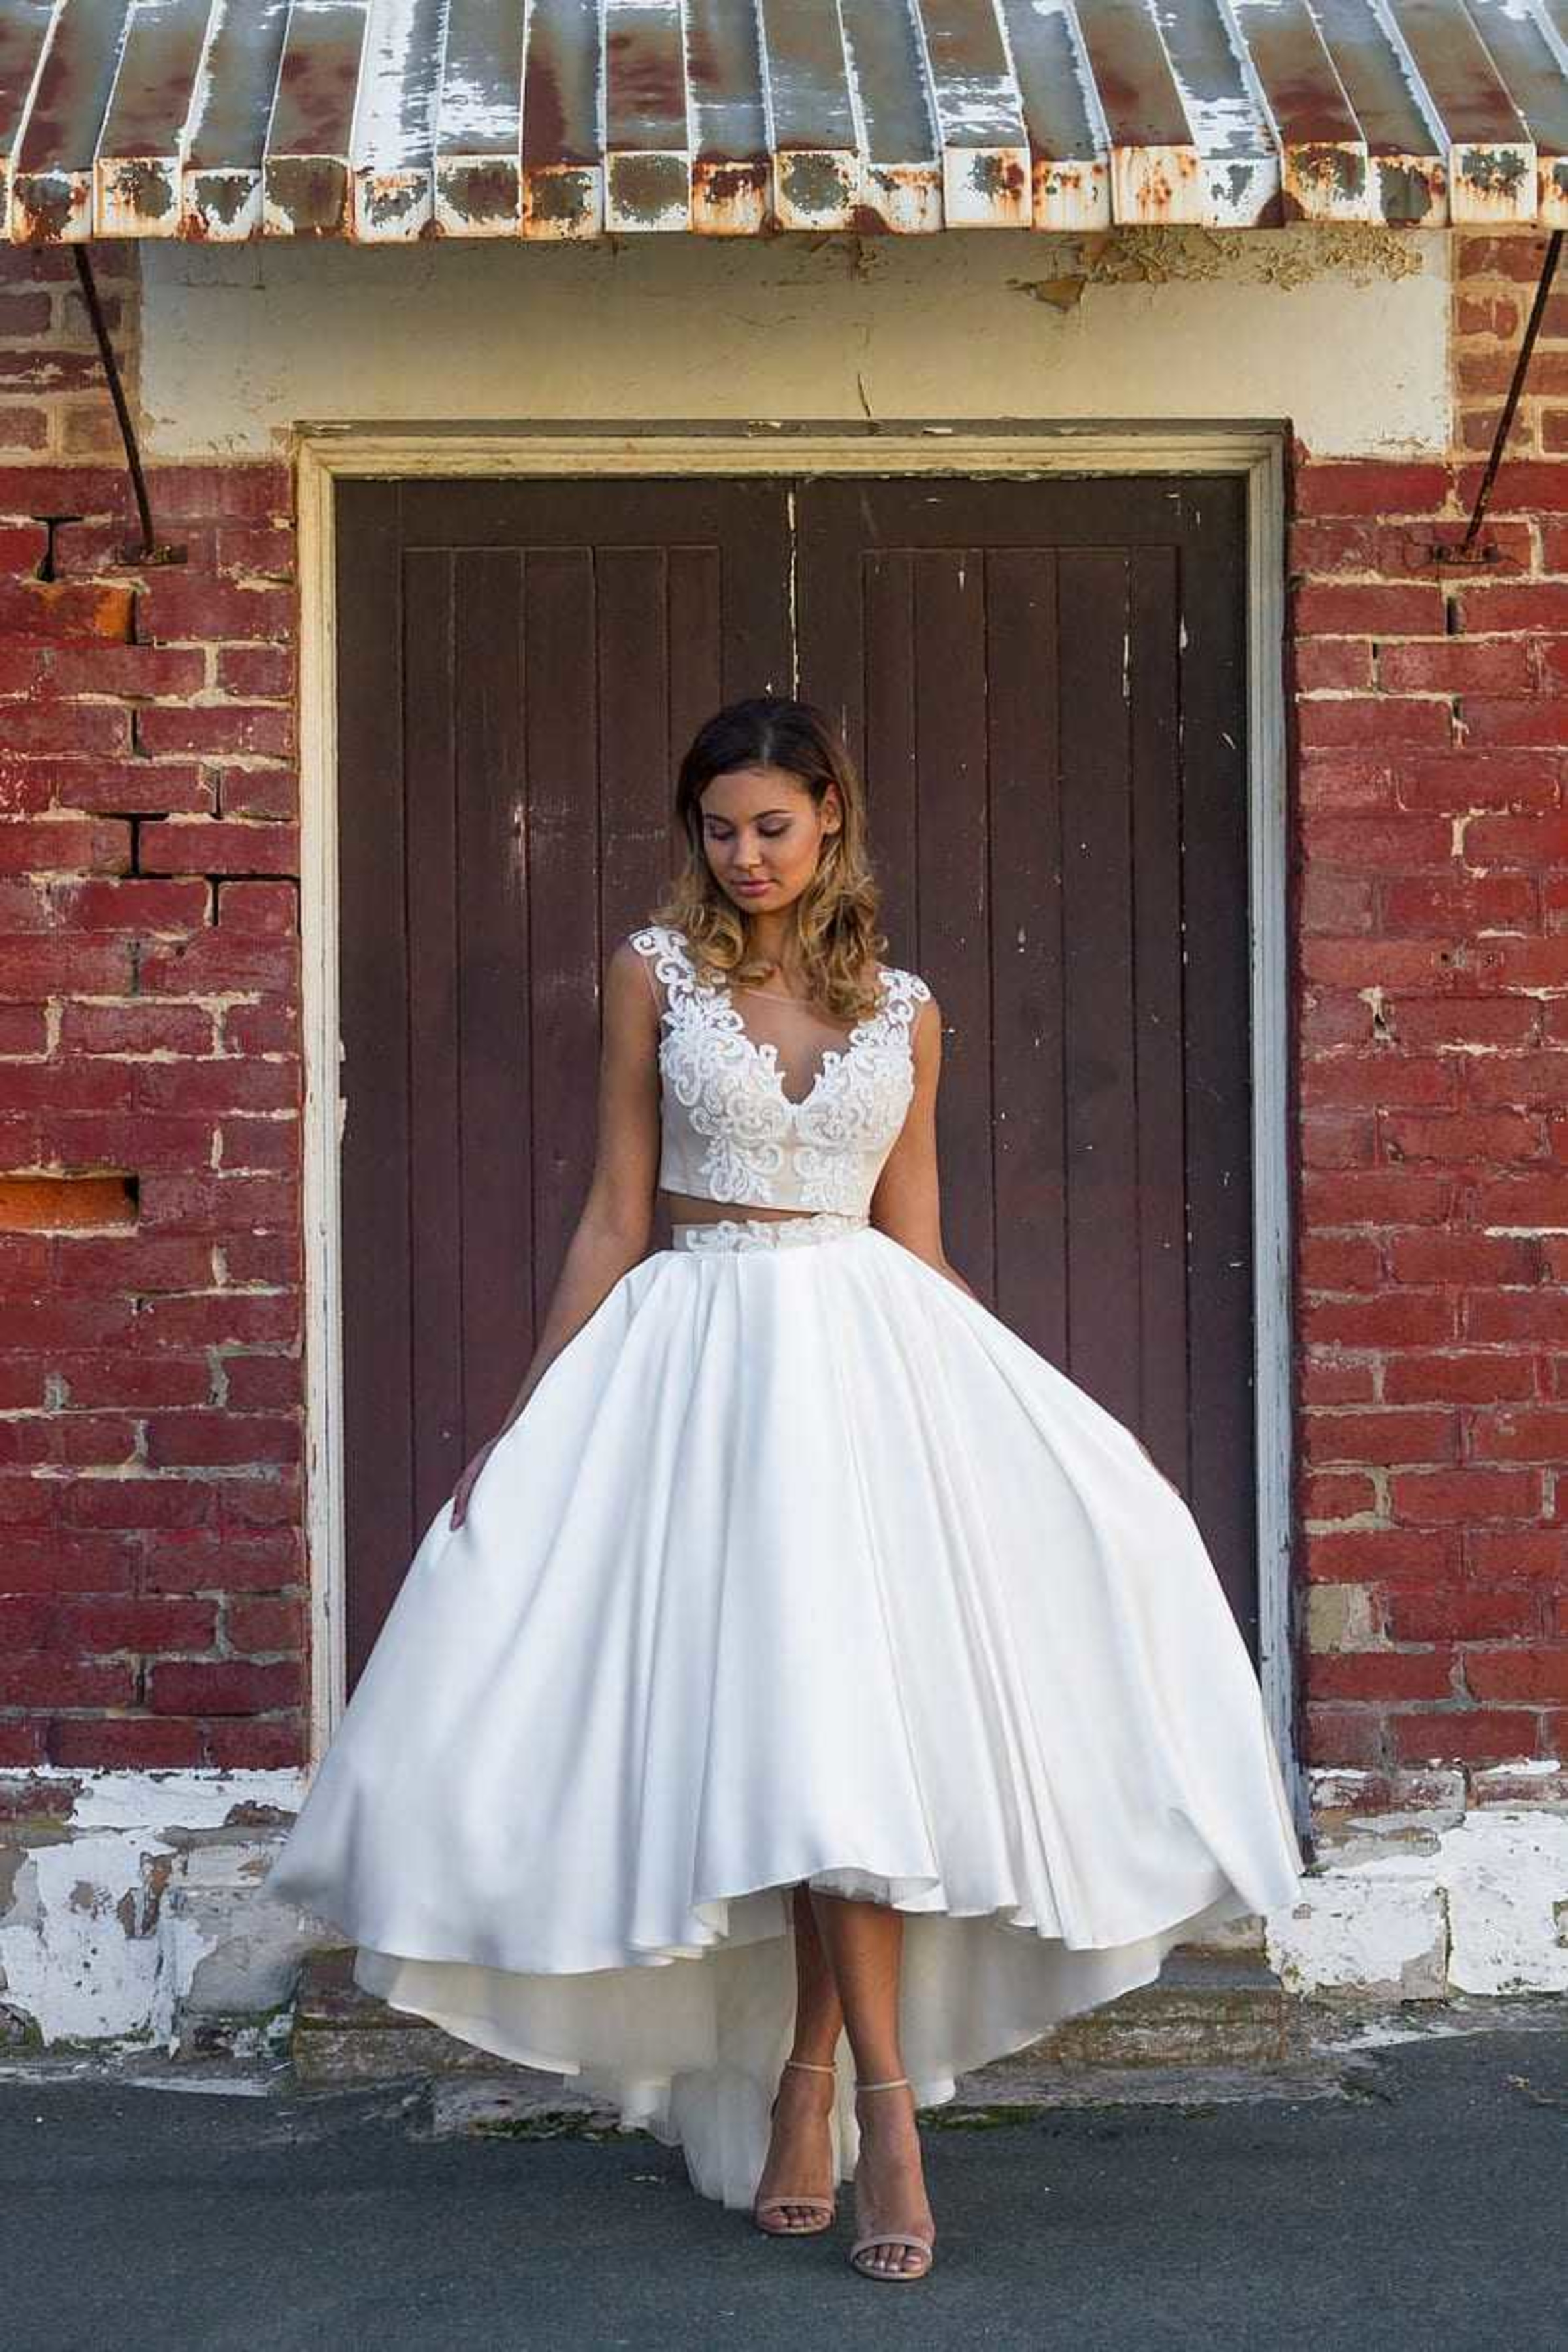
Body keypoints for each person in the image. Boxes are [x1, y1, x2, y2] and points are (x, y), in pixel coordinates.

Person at [263, 694, 1305, 2285]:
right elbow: (616, 1211)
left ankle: (845, 2093)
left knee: (847, 1748)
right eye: (718, 828)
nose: (744, 857)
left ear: (832, 818)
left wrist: (1047, 1422)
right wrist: (530, 1413)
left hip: (868, 1368)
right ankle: (866, 2102)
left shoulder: (906, 1010)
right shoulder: (654, 978)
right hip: (701, 1366)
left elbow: (923, 1241)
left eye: (772, 825)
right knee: (796, 1745)